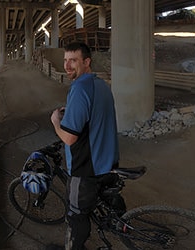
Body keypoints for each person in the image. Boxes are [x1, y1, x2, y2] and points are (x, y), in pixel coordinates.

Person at [50, 42, 121, 250]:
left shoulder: (80, 88)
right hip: (109, 162)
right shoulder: (101, 85)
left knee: (76, 216)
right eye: (65, 60)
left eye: (73, 60)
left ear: (86, 62)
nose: (67, 66)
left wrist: (56, 121)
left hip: (87, 169)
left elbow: (70, 138)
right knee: (102, 206)